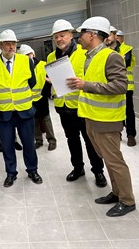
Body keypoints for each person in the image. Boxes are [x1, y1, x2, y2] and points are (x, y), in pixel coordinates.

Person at [67, 16, 135, 217]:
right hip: (92, 118)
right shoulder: (90, 56)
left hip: (107, 120)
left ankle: (127, 200)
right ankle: (116, 193)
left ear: (92, 35)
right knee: (107, 159)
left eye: (82, 33)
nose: (79, 37)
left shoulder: (111, 56)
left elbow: (120, 85)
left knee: (115, 161)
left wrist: (85, 85)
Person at [48, 19, 107, 188]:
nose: (59, 39)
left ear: (71, 35)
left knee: (89, 140)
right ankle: (78, 168)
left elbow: (90, 77)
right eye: (56, 37)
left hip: (81, 106)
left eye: (62, 35)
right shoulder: (52, 56)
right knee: (71, 139)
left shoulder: (83, 52)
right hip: (63, 106)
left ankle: (98, 171)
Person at [0, 29, 42, 187]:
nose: (11, 46)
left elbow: (32, 82)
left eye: (14, 43)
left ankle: (32, 170)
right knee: (7, 146)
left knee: (29, 143)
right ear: (0, 46)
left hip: (24, 111)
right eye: (7, 44)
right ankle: (11, 173)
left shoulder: (26, 61)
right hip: (3, 114)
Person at [17, 45, 57, 151]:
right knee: (34, 121)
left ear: (33, 54)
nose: (27, 57)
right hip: (29, 99)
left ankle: (52, 140)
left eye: (28, 54)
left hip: (42, 97)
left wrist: (45, 93)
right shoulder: (22, 68)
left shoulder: (43, 65)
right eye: (24, 56)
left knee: (46, 119)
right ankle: (38, 140)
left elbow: (49, 80)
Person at [107, 29, 137, 147]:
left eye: (111, 35)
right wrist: (121, 58)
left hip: (126, 86)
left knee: (129, 111)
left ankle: (130, 135)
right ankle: (118, 133)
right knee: (115, 111)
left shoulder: (127, 49)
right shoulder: (105, 51)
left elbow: (127, 62)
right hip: (111, 87)